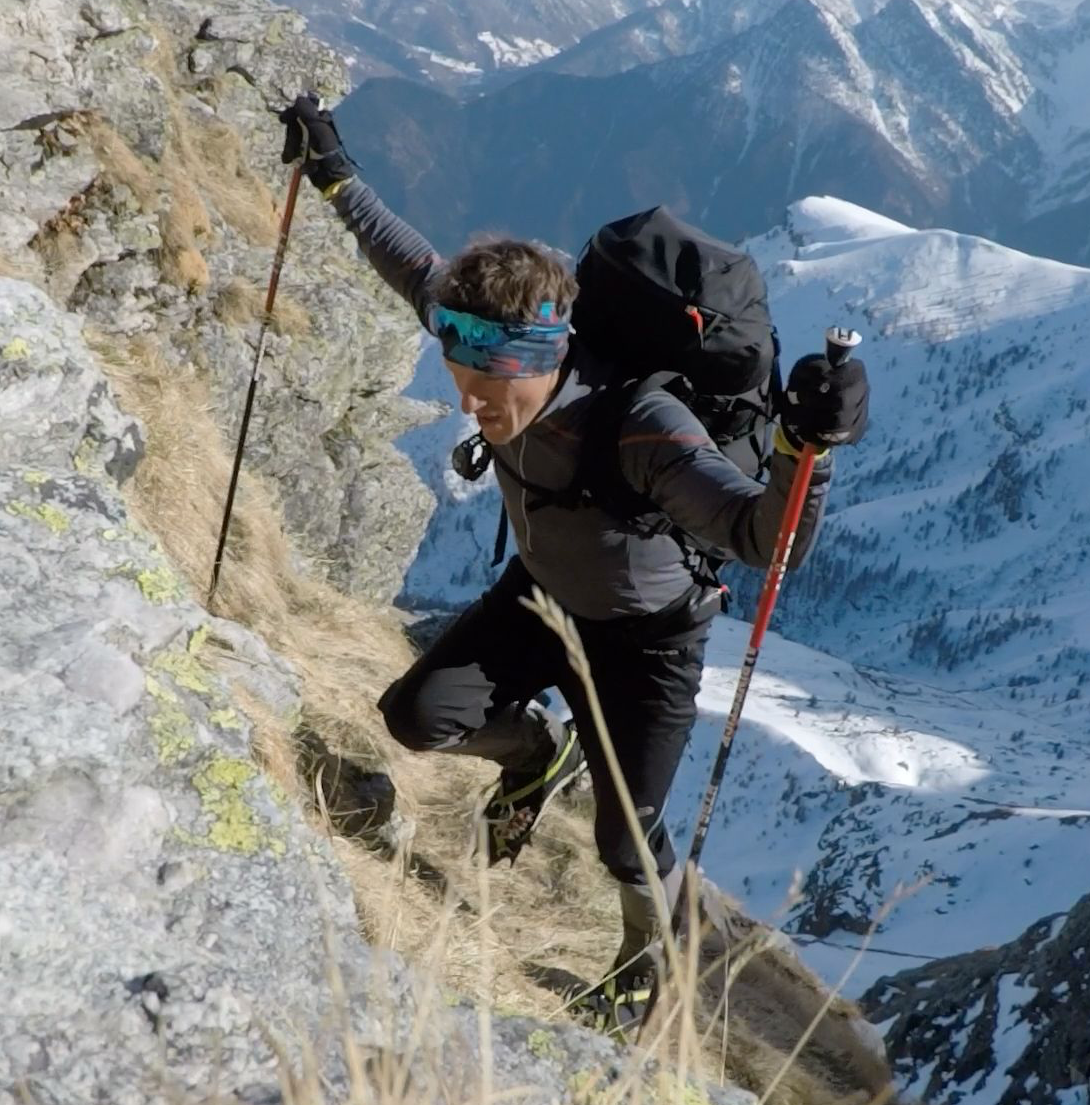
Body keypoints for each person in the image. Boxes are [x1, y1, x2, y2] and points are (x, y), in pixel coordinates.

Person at [278, 95, 869, 1031]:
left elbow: (770, 543)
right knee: (417, 719)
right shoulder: (481, 335)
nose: (470, 409)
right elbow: (411, 264)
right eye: (460, 385)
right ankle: (536, 754)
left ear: (544, 357)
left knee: (629, 843)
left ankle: (649, 957)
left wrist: (810, 452)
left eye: (488, 393)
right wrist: (336, 175)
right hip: (543, 597)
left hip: (647, 646)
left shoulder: (643, 424)